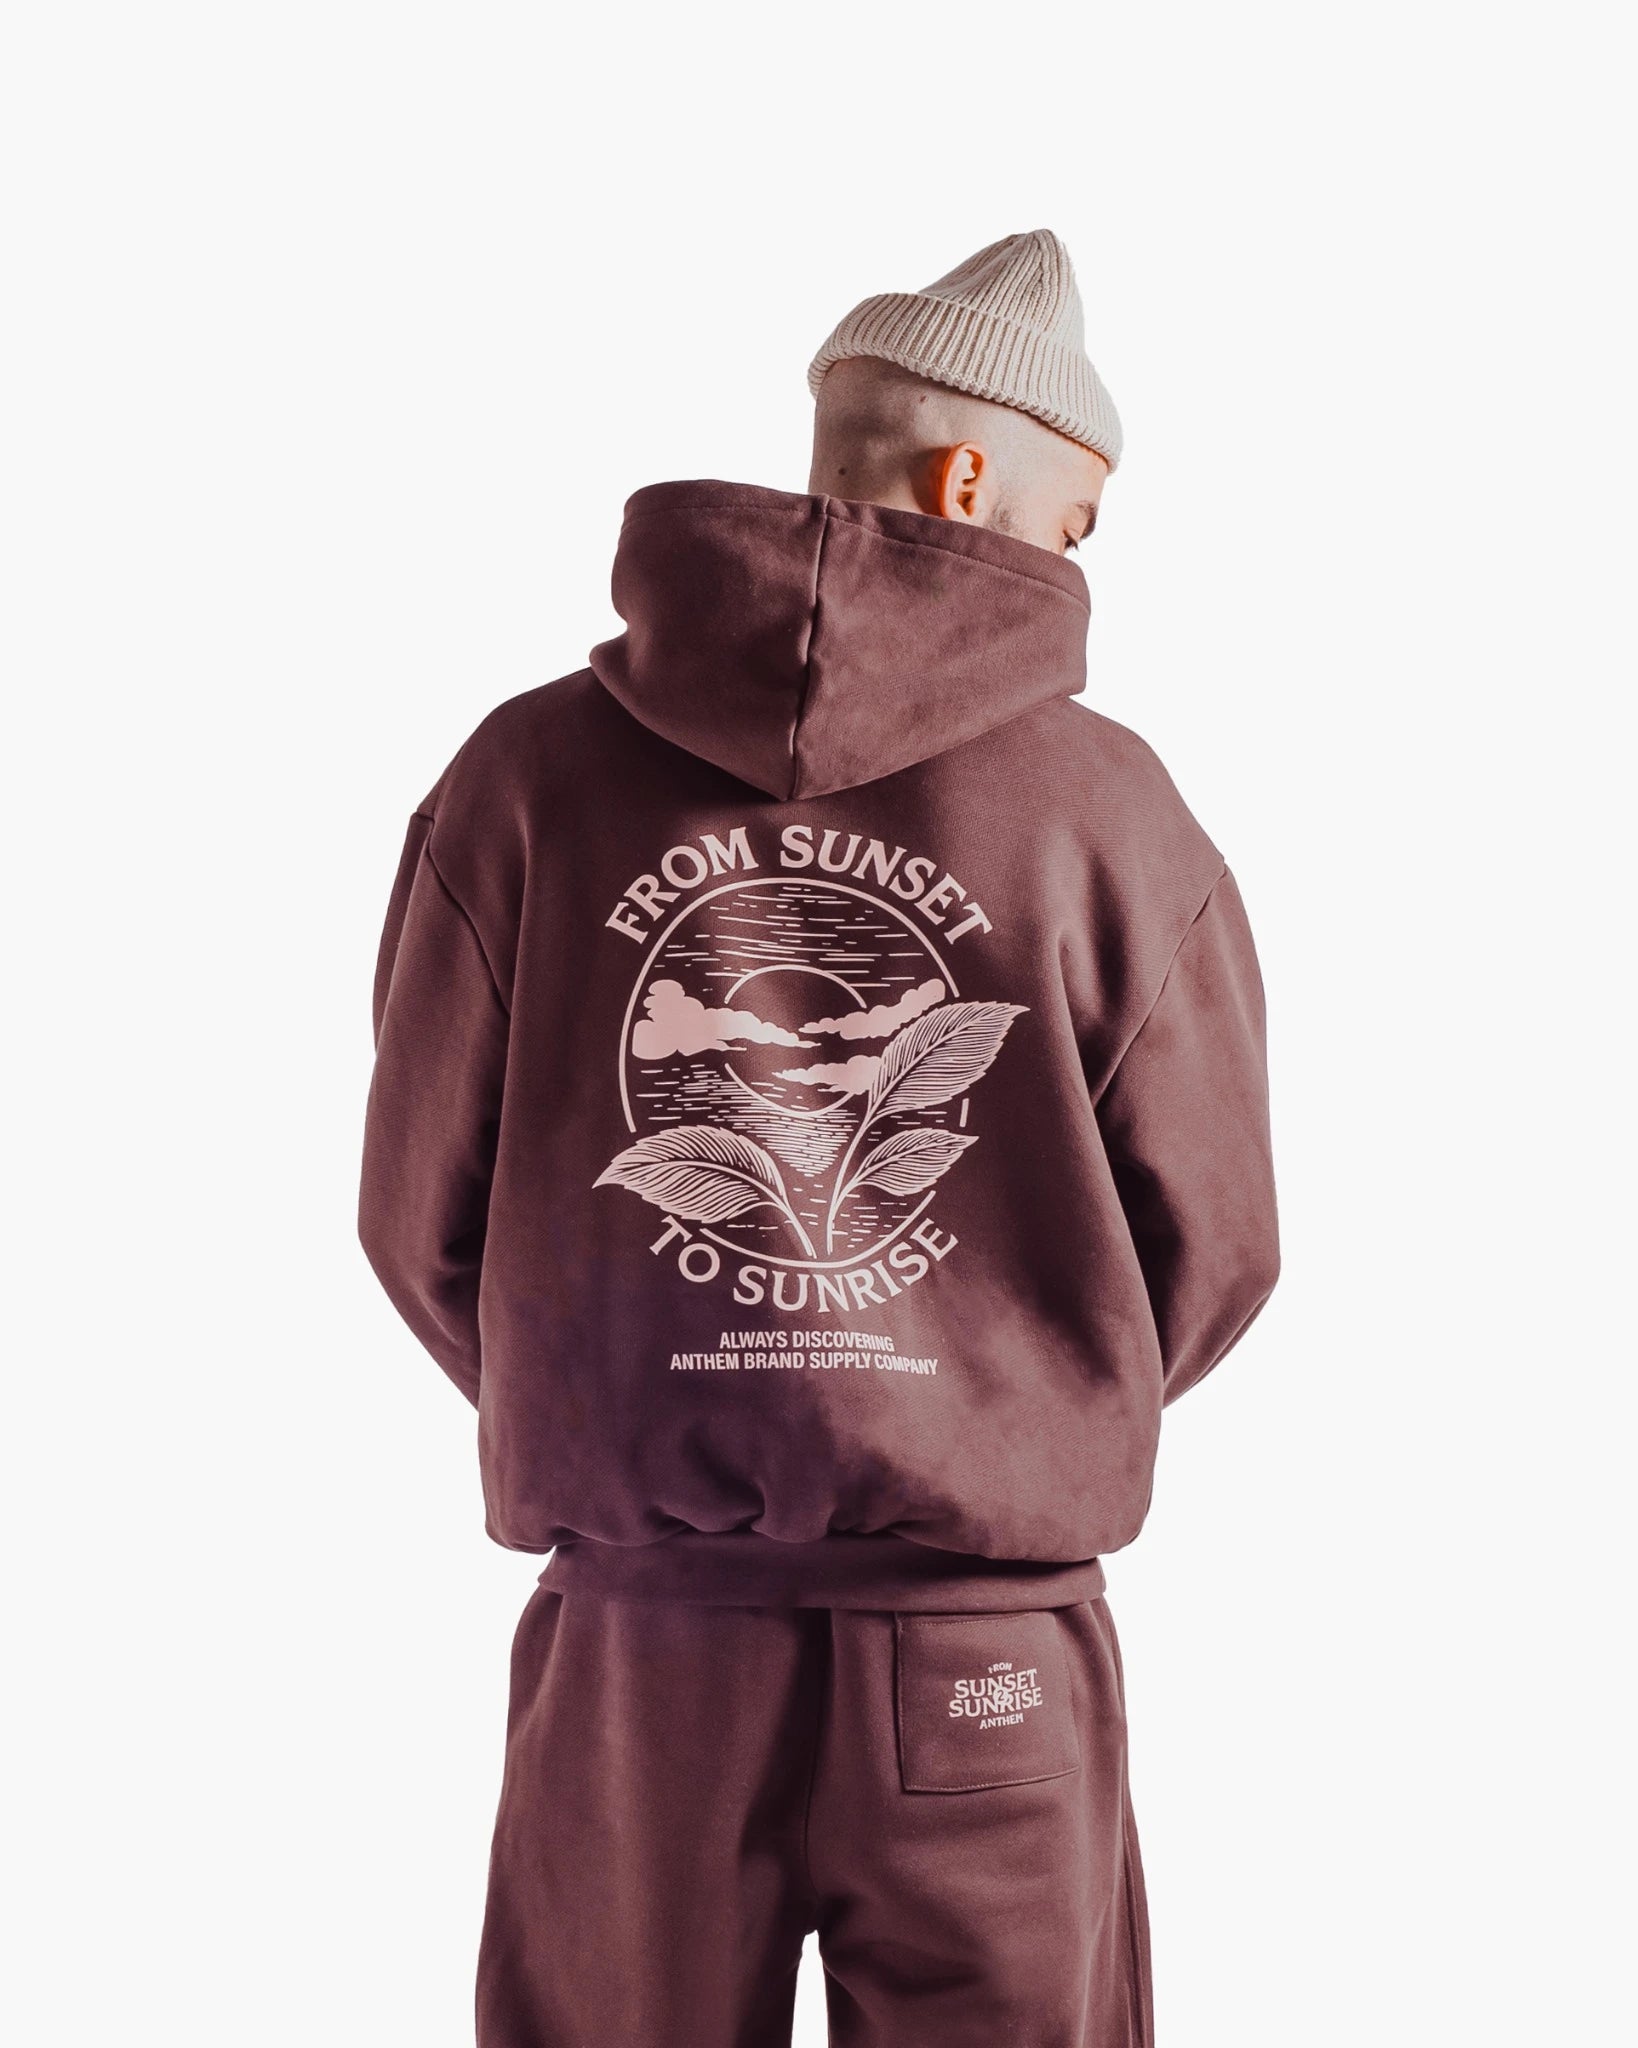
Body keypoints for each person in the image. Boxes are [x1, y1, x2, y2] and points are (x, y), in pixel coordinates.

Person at [360, 228, 1280, 2047]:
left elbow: (419, 1215)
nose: (1080, 566)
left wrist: (626, 1382)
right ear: (969, 485)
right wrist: (998, 1395)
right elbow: (1219, 1238)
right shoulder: (1108, 810)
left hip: (639, 1644)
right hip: (984, 1646)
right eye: (1077, 522)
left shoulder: (521, 780)